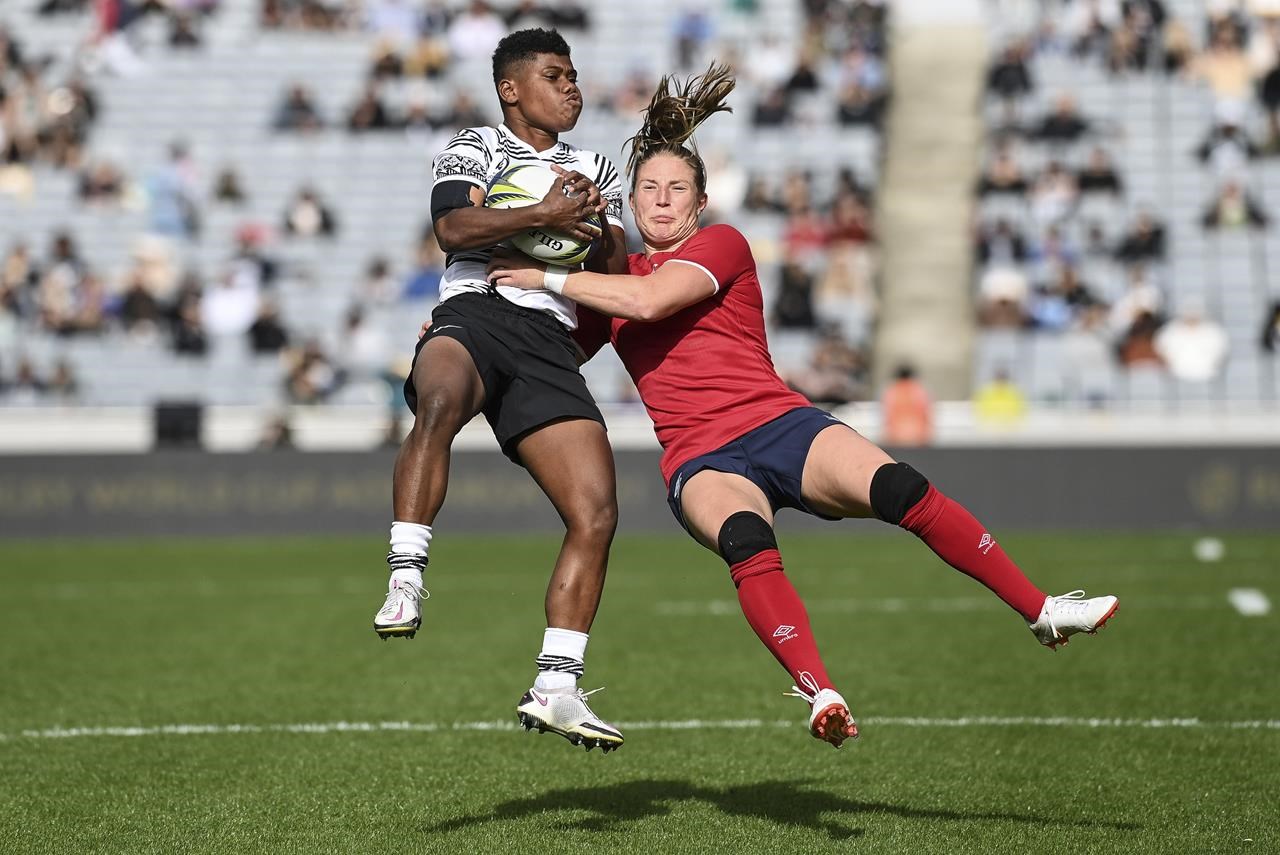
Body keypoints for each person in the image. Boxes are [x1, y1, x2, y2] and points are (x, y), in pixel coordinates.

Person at [487, 64, 1119, 749]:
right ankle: (821, 690)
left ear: (699, 203)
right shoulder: (607, 287)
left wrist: (549, 275)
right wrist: (466, 338)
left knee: (902, 487)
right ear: (630, 201)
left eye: (677, 189)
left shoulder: (716, 246)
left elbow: (651, 301)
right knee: (748, 543)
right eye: (649, 188)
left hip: (781, 423)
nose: (662, 200)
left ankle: (1042, 608)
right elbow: (546, 356)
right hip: (702, 459)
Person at [375, 28, 629, 754]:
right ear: (512, 89)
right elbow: (454, 227)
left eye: (576, 75)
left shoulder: (595, 166)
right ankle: (406, 577)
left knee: (596, 509)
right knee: (439, 398)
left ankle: (556, 684)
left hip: (549, 338)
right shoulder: (476, 145)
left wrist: (600, 223)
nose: (572, 86)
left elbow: (610, 273)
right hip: (475, 310)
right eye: (555, 75)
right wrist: (540, 216)